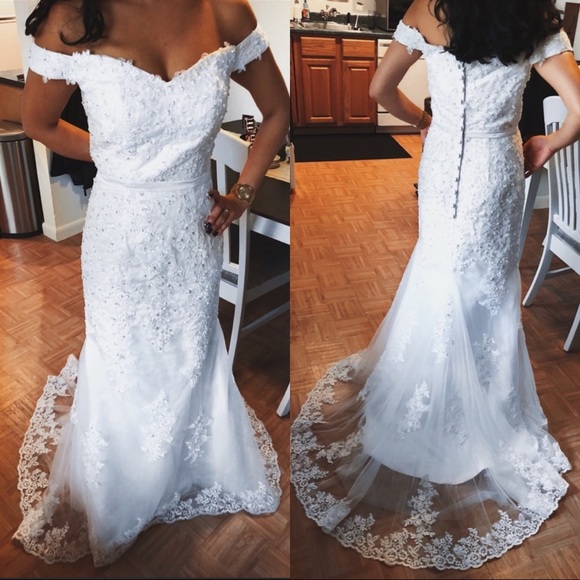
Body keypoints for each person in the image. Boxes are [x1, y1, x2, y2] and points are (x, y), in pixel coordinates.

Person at [291, 0, 580, 571]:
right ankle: (481, 409)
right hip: (497, 170)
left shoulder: (428, 8)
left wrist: (423, 122)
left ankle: (429, 410)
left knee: (438, 274)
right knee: (489, 291)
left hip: (444, 161)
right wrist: (548, 143)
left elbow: (379, 88)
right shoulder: (534, 16)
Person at [13, 0, 290, 568]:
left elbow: (277, 111)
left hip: (193, 233)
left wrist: (242, 194)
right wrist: (112, 157)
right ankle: (124, 482)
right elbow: (37, 122)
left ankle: (188, 458)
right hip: (119, 234)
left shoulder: (222, 10)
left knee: (190, 348)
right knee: (122, 353)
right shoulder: (71, 16)